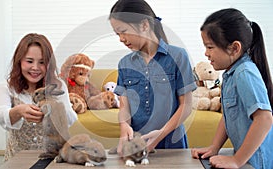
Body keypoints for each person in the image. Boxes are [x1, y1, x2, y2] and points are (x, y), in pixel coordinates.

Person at [109, 0, 197, 155]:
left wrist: (160, 134)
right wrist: (124, 127)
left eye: (123, 31)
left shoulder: (178, 56)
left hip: (172, 144)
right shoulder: (124, 63)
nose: (121, 39)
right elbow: (124, 107)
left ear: (144, 25)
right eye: (117, 34)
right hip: (137, 145)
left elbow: (186, 106)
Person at [191, 8, 273, 169]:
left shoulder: (245, 73)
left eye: (210, 47)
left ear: (234, 48)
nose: (206, 53)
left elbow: (264, 118)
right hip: (247, 160)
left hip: (257, 162)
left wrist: (236, 160)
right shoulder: (229, 74)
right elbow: (229, 116)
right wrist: (214, 147)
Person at [0, 33, 78, 161]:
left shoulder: (57, 85)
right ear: (19, 60)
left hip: (51, 158)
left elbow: (70, 119)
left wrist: (55, 107)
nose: (35, 68)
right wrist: (18, 111)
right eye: (29, 61)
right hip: (16, 158)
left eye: (42, 62)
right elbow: (0, 113)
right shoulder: (7, 86)